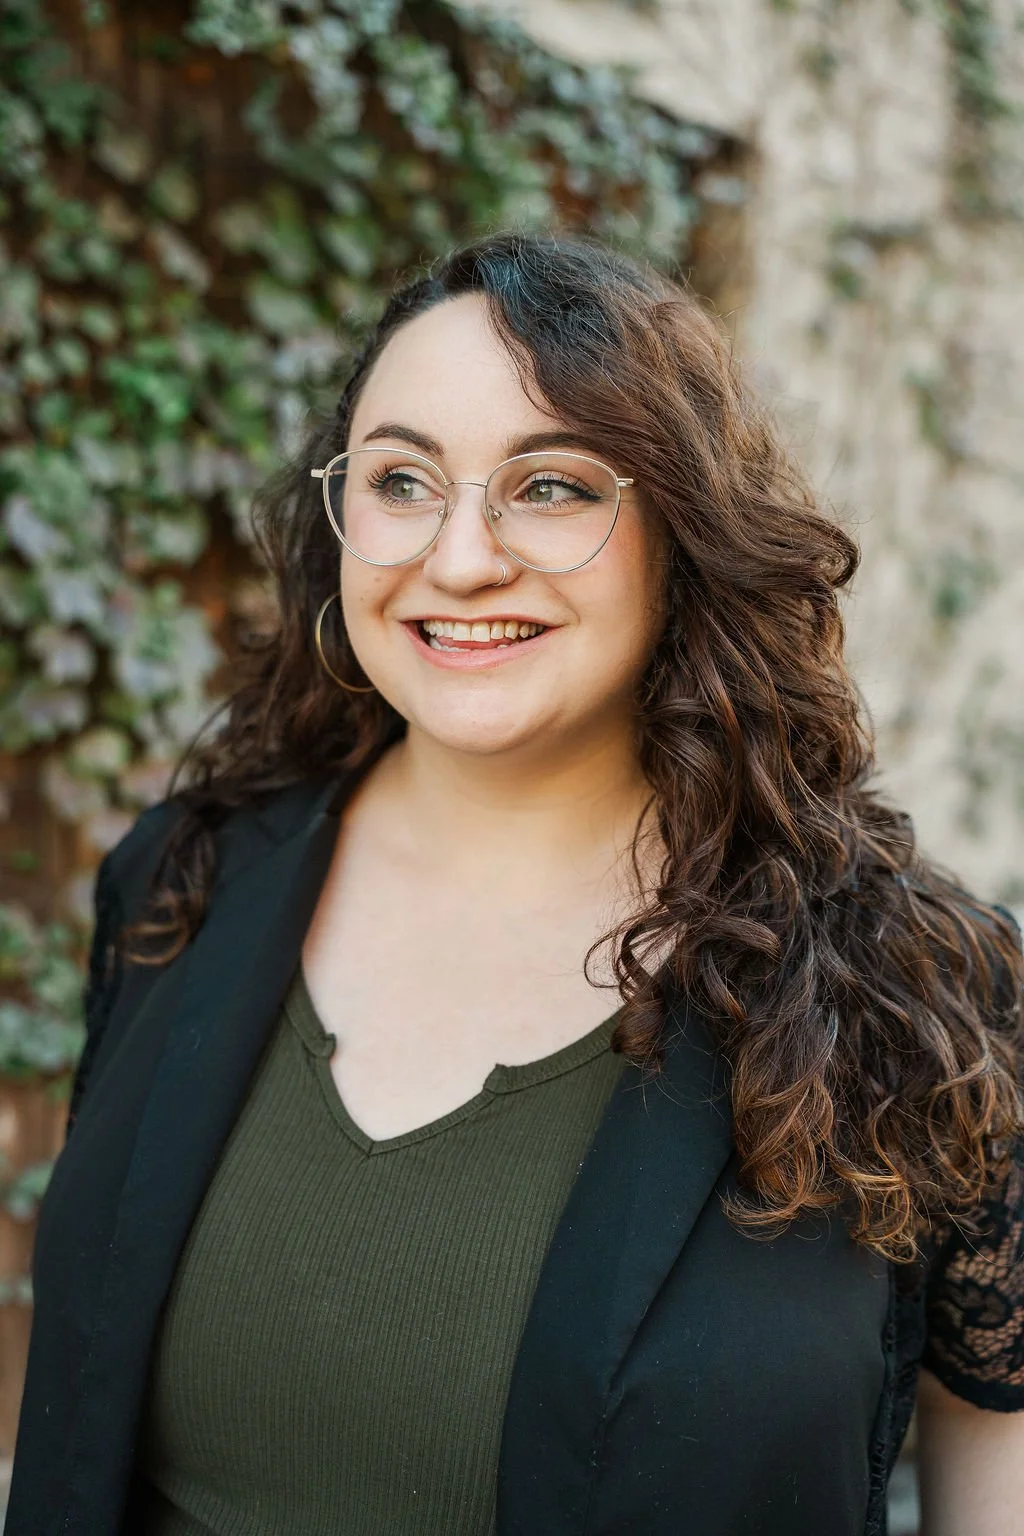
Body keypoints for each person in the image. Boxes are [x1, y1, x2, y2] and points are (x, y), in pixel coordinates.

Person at [7, 233, 1024, 1536]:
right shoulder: (182, 881)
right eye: (402, 480)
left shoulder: (914, 986)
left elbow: (992, 1469)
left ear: (683, 526)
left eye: (549, 486)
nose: (462, 557)